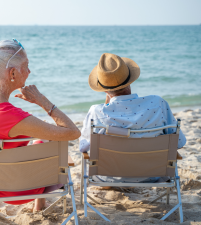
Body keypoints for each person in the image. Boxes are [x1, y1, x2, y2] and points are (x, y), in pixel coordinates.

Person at [0, 39, 81, 211]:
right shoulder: (13, 117)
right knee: (48, 143)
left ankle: (40, 205)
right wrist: (43, 101)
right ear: (12, 73)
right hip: (18, 191)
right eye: (26, 66)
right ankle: (39, 202)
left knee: (38, 141)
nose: (29, 71)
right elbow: (72, 132)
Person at [79, 53, 186, 183]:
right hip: (153, 174)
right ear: (130, 81)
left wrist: (107, 104)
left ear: (104, 90)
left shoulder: (97, 112)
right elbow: (178, 143)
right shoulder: (158, 104)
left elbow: (83, 148)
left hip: (108, 175)